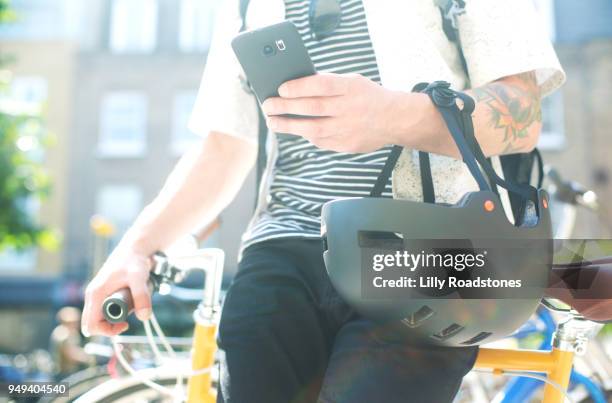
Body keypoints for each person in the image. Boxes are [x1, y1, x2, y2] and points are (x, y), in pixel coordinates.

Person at [81, 0, 565, 401]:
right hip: (282, 249)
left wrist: (392, 115)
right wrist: (136, 248)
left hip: (431, 248)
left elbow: (523, 117)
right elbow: (226, 144)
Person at [50, 307, 92, 380]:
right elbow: (71, 354)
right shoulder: (63, 333)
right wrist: (91, 358)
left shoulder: (72, 333)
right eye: (73, 322)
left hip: (69, 373)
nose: (76, 324)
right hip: (64, 375)